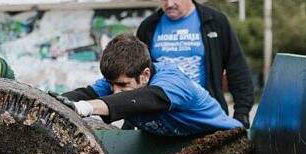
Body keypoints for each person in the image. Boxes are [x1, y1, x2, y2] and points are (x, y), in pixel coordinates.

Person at [136, 0, 254, 128]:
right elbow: (136, 74)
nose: (169, 4)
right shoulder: (148, 27)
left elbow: (237, 69)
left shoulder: (215, 22)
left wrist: (242, 114)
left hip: (206, 117)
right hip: (163, 120)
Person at [62, 33, 242, 137]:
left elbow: (145, 99)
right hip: (175, 145)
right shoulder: (116, 82)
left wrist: (87, 107)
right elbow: (85, 94)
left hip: (224, 139)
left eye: (122, 84)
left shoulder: (172, 82)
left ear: (145, 75)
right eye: (111, 84)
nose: (115, 92)